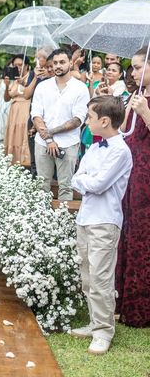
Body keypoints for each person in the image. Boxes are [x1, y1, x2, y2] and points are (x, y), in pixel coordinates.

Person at [70, 95, 132, 354]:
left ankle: (104, 331)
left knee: (101, 278)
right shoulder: (95, 148)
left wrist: (86, 180)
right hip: (85, 218)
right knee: (87, 276)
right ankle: (95, 323)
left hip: (105, 221)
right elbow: (77, 178)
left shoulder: (120, 151)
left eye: (90, 117)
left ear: (104, 121)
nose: (87, 121)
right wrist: (86, 180)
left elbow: (97, 184)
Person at [116, 46, 150, 328]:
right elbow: (122, 132)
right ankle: (122, 301)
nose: (133, 72)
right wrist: (128, 109)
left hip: (147, 176)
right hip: (130, 173)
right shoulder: (135, 96)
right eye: (132, 67)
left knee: (143, 237)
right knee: (127, 233)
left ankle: (142, 307)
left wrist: (146, 113)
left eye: (138, 67)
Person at [31, 49, 90, 200]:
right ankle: (41, 221)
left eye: (62, 62)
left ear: (71, 63)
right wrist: (49, 139)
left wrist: (51, 132)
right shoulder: (43, 86)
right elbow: (36, 115)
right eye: (55, 63)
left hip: (68, 143)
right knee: (42, 185)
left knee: (65, 186)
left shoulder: (80, 88)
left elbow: (78, 120)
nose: (58, 66)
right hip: (43, 143)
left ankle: (63, 222)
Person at [3, 56, 36, 166]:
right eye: (15, 65)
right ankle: (13, 162)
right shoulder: (13, 79)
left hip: (25, 109)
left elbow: (30, 93)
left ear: (26, 66)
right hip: (14, 111)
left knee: (23, 135)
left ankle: (25, 162)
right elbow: (7, 98)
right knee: (13, 136)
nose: (17, 67)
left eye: (20, 64)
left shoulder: (31, 77)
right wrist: (7, 85)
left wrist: (24, 83)